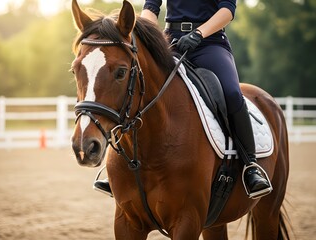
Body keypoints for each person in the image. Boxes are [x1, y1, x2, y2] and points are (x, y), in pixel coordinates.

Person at [94, 0, 272, 199]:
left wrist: (198, 33)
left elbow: (227, 11)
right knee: (135, 86)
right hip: (170, 41)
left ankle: (250, 165)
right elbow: (151, 8)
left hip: (210, 44)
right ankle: (117, 165)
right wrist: (144, 33)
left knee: (231, 93)